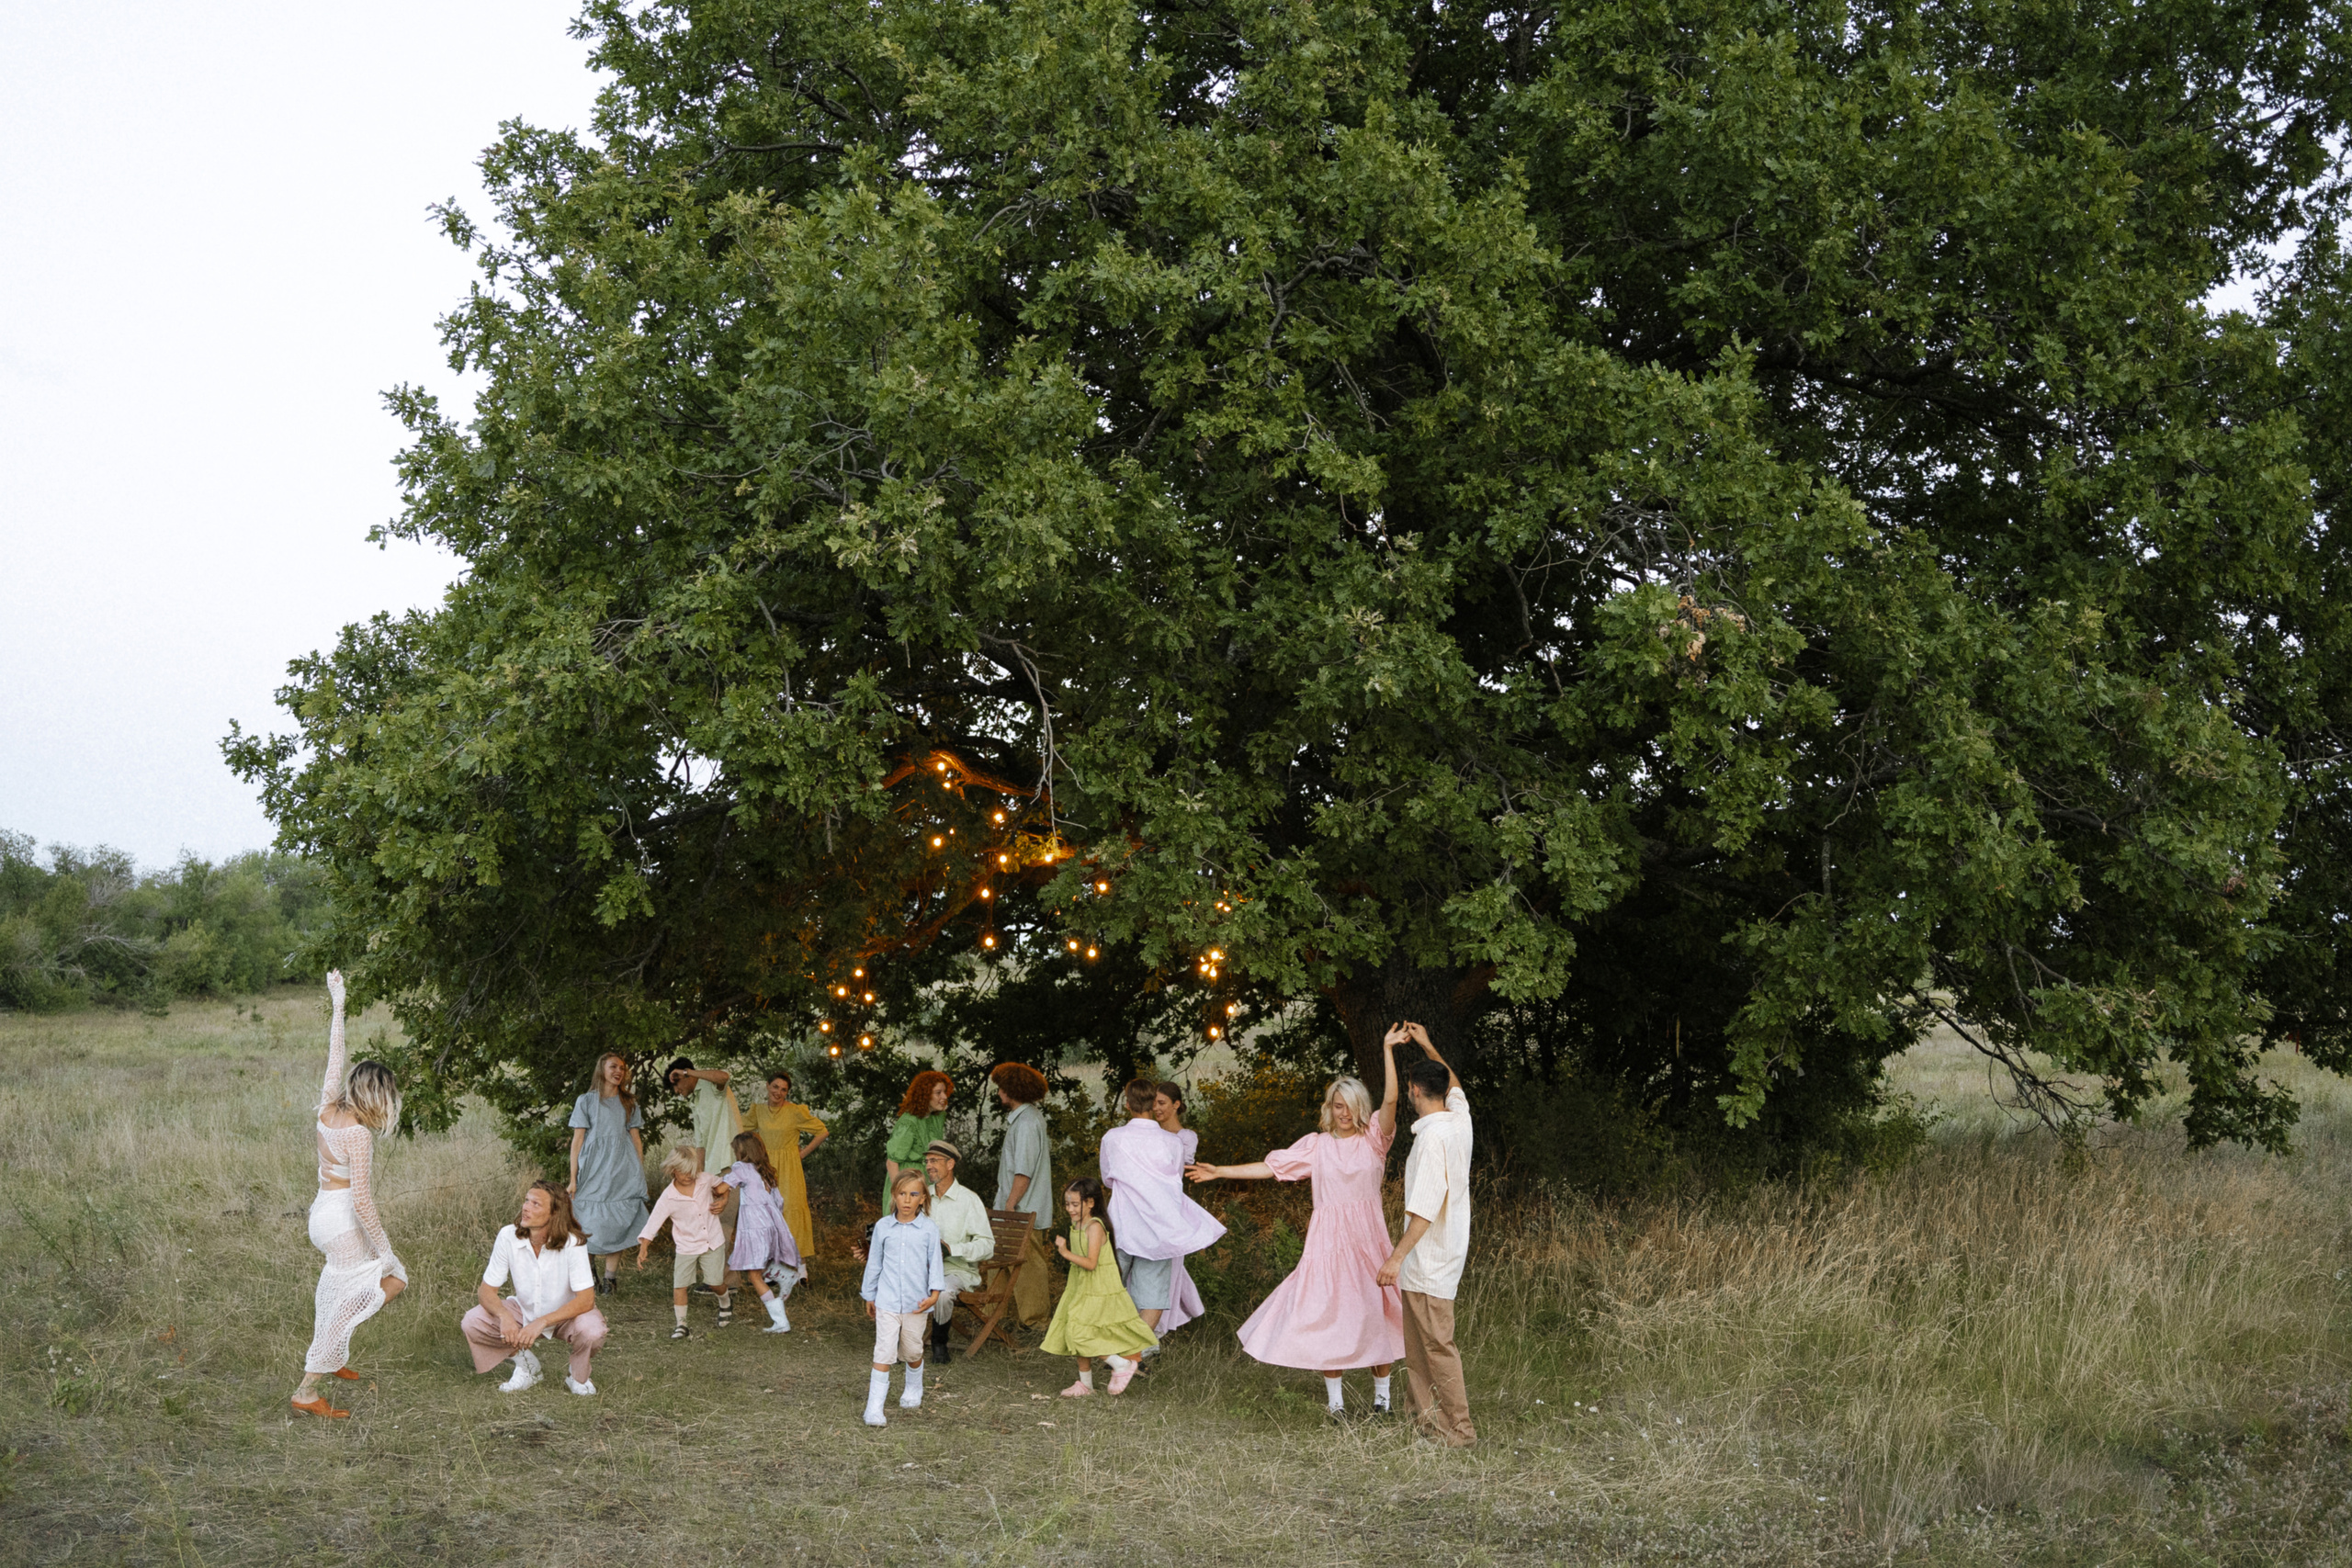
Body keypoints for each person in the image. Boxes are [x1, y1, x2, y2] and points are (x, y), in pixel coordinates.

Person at [1188, 1071, 1404, 1416]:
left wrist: (1388, 1050)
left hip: (1368, 1240)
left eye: (1350, 1107)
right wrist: (1221, 1171)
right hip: (1328, 1243)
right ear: (1329, 1108)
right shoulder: (1318, 1146)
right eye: (1337, 1107)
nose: (1344, 1114)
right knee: (1329, 1314)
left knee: (1373, 1313)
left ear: (1361, 1108)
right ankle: (1336, 1405)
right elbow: (1271, 1168)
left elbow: (1391, 1101)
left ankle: (1383, 1400)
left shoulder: (1375, 1138)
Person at [290, 971, 407, 1419]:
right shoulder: (358, 1134)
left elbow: (334, 1055)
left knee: (336, 1290)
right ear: (378, 1097)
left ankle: (333, 1359)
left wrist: (339, 1004)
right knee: (391, 1282)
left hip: (320, 1215)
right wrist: (388, 1252)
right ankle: (307, 1388)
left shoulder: (327, 1106)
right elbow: (362, 1203)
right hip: (340, 1220)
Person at [1375, 1023, 1476, 1447]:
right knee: (1417, 1353)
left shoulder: (1433, 1140)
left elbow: (1424, 1210)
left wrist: (1395, 1259)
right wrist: (1428, 1045)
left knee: (1436, 1349)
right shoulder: (1460, 1120)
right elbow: (1454, 1084)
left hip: (1430, 1262)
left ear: (1414, 1090)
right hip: (1435, 1260)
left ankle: (1460, 1432)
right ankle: (1429, 1426)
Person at [1096, 1078, 1225, 1337]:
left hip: (1123, 1225)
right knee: (1153, 1296)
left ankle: (1115, 1346)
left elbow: (1107, 1178)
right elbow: (1174, 1181)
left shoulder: (1113, 1138)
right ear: (1152, 1103)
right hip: (1159, 1227)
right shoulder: (1172, 1142)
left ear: (1128, 1104)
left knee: (1109, 1288)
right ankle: (1136, 1352)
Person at [460, 1179, 608, 1396]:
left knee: (593, 1331)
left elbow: (586, 1300)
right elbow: (486, 1291)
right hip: (524, 1309)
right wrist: (504, 1316)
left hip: (567, 1315)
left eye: (536, 1204)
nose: (526, 1207)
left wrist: (543, 1322)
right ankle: (528, 1367)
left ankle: (578, 1376)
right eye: (526, 1200)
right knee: (473, 1321)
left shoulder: (573, 1242)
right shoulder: (507, 1236)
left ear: (554, 1213)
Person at [1039, 1177, 1157, 1395]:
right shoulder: (1077, 1225)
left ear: (1090, 1203)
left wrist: (1065, 1252)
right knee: (1074, 1328)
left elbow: (1091, 1263)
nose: (1070, 1209)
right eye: (1067, 1204)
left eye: (1075, 1204)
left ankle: (1121, 1365)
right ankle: (1085, 1384)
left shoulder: (1094, 1227)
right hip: (1081, 1286)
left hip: (1098, 1289)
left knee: (1080, 1334)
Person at [859, 1171, 945, 1427]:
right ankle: (874, 1408)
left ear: (922, 1199)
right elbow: (874, 1263)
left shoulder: (929, 1229)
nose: (907, 1200)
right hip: (886, 1301)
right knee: (884, 1351)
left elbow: (935, 1264)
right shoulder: (883, 1227)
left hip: (915, 1303)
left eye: (914, 1194)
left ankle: (913, 1385)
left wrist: (935, 1295)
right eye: (902, 1194)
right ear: (894, 1196)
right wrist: (870, 1294)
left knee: (911, 1350)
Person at [568, 1052, 650, 1294]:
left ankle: (609, 1280)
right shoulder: (586, 1101)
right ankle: (589, 1273)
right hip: (593, 1170)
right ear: (601, 1070)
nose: (619, 1071)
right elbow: (577, 1141)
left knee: (618, 1222)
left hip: (622, 1169)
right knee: (586, 1221)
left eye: (622, 1068)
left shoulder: (629, 1102)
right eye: (613, 1066)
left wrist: (639, 1172)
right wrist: (573, 1178)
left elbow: (636, 1140)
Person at [637, 1148, 732, 1337]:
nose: (690, 1176)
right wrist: (644, 1246)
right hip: (686, 1245)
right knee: (679, 1285)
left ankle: (725, 1302)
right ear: (673, 1170)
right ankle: (681, 1324)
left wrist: (724, 1201)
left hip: (712, 1241)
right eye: (685, 1172)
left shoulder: (705, 1179)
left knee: (715, 1282)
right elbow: (654, 1221)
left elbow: (724, 1186)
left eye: (693, 1171)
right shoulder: (668, 1197)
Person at [989, 1062, 1056, 1328]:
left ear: (1011, 1090)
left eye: (1001, 1088)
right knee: (998, 1259)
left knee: (1028, 1266)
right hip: (1015, 1208)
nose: (998, 1093)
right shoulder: (1024, 1119)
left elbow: (1023, 1172)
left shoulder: (1027, 1123)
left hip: (1021, 1209)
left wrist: (1009, 1206)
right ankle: (993, 1316)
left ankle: (1036, 1322)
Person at [742, 1067, 828, 1262]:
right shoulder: (758, 1111)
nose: (778, 1092)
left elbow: (822, 1131)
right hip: (765, 1168)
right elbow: (739, 1127)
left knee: (791, 1211)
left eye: (783, 1089)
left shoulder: (795, 1111)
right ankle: (771, 1265)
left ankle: (800, 1266)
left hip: (790, 1169)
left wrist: (802, 1154)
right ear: (767, 1086)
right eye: (775, 1087)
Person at [922, 1140, 994, 1363]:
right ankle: (903, 1343)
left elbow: (987, 1245)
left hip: (957, 1271)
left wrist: (953, 1249)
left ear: (950, 1164)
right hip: (922, 1268)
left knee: (942, 1293)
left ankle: (939, 1343)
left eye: (934, 1161)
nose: (929, 1166)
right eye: (927, 1161)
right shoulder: (921, 1196)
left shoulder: (969, 1200)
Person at [722, 1131, 803, 1332]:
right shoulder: (766, 1172)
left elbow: (722, 1188)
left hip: (754, 1228)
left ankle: (781, 1321)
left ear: (742, 1151)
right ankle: (783, 1275)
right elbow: (779, 1201)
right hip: (770, 1226)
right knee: (756, 1266)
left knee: (754, 1275)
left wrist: (711, 1187)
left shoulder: (741, 1168)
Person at [1148, 1079, 1208, 1337]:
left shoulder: (1185, 1137)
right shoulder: (1149, 1133)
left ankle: (1160, 1327)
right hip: (1147, 1204)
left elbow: (1177, 1171)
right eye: (1153, 1103)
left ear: (1176, 1105)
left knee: (1171, 1265)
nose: (1156, 1108)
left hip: (1170, 1206)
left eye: (1162, 1103)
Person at [884, 1070, 952, 1197]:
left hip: (927, 1184)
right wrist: (901, 1196)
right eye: (938, 1093)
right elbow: (891, 1162)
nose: (944, 1097)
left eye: (944, 1092)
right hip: (906, 1185)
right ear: (925, 1095)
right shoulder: (909, 1122)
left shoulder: (935, 1118)